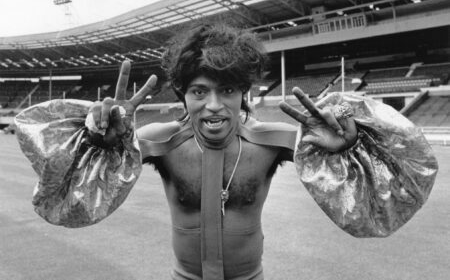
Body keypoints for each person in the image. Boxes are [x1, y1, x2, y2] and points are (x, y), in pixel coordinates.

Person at [15, 23, 438, 280]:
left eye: (228, 90)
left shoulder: (272, 142)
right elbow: (73, 188)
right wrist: (99, 141)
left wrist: (351, 146)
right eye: (200, 91)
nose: (214, 105)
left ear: (244, 92)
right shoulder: (161, 141)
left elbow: (392, 180)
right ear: (182, 94)